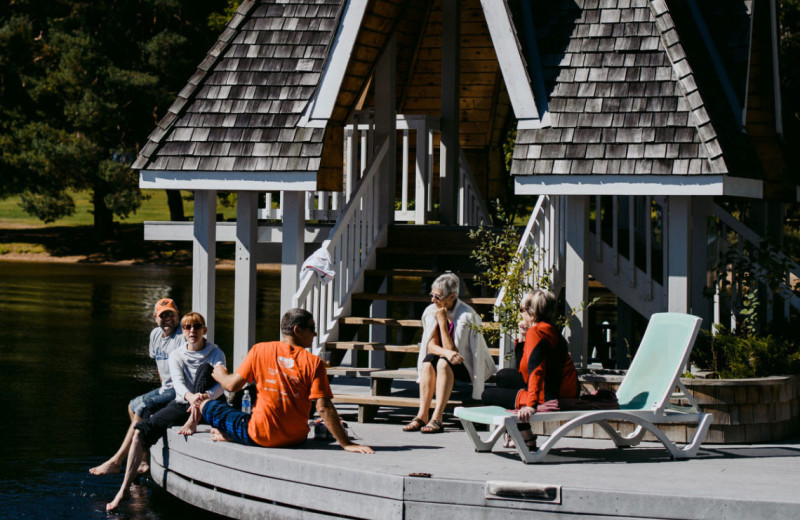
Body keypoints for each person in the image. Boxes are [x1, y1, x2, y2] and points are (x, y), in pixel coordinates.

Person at [197, 308, 373, 454]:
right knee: (248, 417)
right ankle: (232, 433)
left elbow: (232, 385)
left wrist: (220, 375)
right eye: (312, 328)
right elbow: (323, 407)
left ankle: (231, 434)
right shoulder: (314, 362)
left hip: (260, 436)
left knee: (207, 406)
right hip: (296, 438)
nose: (315, 333)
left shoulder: (260, 350)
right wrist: (346, 443)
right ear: (297, 330)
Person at [107, 311, 225, 511]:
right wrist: (191, 398)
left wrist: (204, 397)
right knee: (140, 431)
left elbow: (222, 384)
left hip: (209, 402)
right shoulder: (176, 354)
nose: (192, 331)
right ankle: (124, 489)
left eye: (197, 326)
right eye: (187, 327)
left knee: (206, 371)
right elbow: (178, 385)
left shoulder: (215, 352)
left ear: (204, 330)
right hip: (184, 402)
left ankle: (194, 418)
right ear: (184, 331)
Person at [90, 298, 186, 476]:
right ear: (155, 317)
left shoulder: (181, 337)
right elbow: (160, 366)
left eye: (171, 314)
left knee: (143, 406)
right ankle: (142, 460)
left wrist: (165, 398)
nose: (168, 319)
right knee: (132, 405)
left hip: (180, 390)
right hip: (166, 388)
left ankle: (117, 461)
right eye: (163, 315)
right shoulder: (155, 335)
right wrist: (161, 390)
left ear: (177, 315)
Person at [481, 289, 579, 449]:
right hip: (561, 388)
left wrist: (530, 405)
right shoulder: (548, 328)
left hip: (552, 395)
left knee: (488, 395)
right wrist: (522, 337)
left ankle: (526, 435)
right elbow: (523, 369)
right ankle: (518, 431)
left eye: (521, 310)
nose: (520, 314)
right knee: (503, 376)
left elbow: (536, 370)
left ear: (532, 313)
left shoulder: (537, 332)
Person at [403, 273, 496, 434]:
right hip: (446, 357)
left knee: (443, 362)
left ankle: (437, 417)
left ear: (452, 296)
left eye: (437, 297)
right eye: (431, 295)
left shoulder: (466, 316)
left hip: (466, 365)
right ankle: (422, 415)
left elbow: (454, 353)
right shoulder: (432, 310)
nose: (433, 300)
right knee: (427, 363)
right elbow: (430, 345)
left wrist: (442, 323)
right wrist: (445, 351)